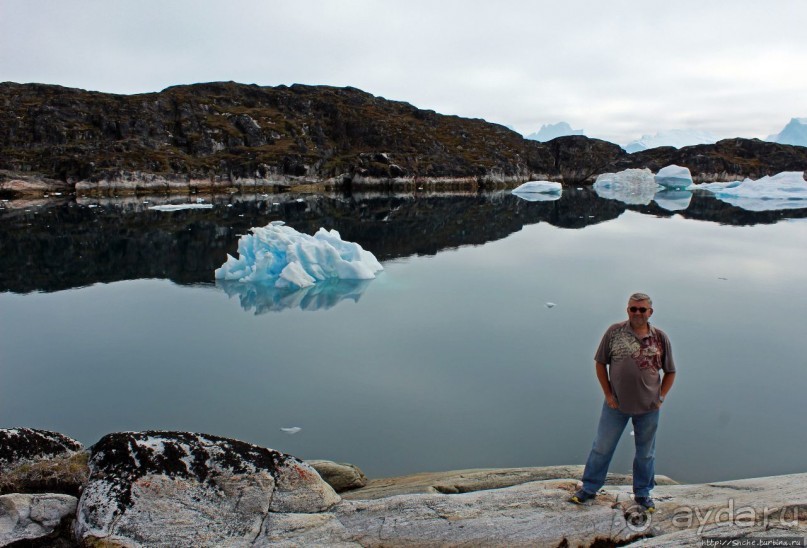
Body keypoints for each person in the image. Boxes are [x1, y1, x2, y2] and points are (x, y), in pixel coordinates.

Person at [570, 292, 676, 512]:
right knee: (602, 447)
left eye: (642, 309)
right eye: (633, 309)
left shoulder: (660, 338)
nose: (637, 313)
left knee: (646, 453)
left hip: (648, 408)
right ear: (627, 310)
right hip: (615, 406)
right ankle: (588, 488)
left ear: (650, 312)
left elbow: (670, 371)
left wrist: (661, 397)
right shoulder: (614, 332)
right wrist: (608, 395)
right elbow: (600, 364)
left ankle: (643, 494)